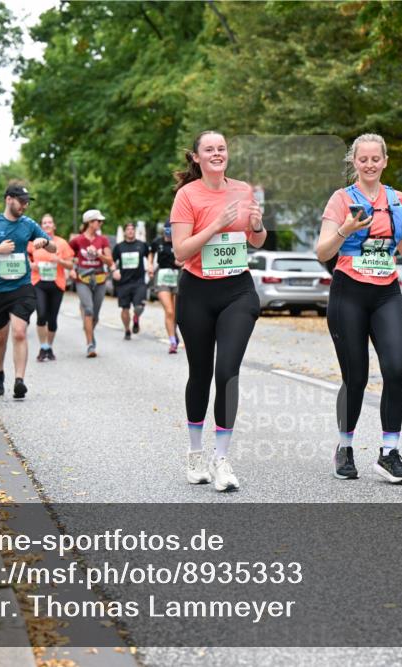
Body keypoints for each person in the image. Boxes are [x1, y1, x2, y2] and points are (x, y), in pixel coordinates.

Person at [316, 133, 402, 484]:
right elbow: (323, 252)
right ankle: (345, 447)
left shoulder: (397, 199)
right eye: (363, 159)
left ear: (385, 161)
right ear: (354, 162)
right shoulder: (341, 200)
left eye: (375, 159)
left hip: (386, 293)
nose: (369, 164)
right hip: (348, 294)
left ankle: (389, 453)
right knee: (355, 378)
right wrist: (344, 229)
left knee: (396, 369)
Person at [170, 130, 267, 492]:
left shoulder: (243, 190)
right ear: (196, 157)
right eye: (209, 149)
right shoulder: (187, 196)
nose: (216, 153)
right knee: (201, 373)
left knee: (227, 371)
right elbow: (181, 251)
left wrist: (256, 226)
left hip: (237, 290)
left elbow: (256, 239)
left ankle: (222, 458)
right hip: (197, 291)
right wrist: (215, 225)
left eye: (221, 148)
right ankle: (196, 454)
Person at [0, 184, 55, 399]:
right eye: (21, 201)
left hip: (21, 286)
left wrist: (44, 243)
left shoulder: (28, 224)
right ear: (9, 199)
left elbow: (54, 248)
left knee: (19, 332)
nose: (24, 205)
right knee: (0, 336)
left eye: (27, 201)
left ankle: (19, 381)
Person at [28, 213, 74, 361]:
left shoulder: (61, 243)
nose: (47, 225)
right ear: (41, 226)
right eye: (44, 223)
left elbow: (71, 264)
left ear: (54, 226)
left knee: (52, 318)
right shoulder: (34, 242)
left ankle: (49, 347)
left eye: (50, 223)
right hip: (38, 282)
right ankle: (43, 347)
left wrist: (59, 260)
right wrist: (31, 265)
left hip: (57, 283)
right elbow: (24, 257)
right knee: (41, 314)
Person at [68, 210, 113, 358]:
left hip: (100, 279)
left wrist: (98, 254)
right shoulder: (77, 240)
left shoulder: (103, 240)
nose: (100, 223)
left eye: (101, 221)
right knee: (88, 310)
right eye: (98, 221)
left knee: (95, 316)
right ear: (90, 222)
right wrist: (72, 269)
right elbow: (69, 256)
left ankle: (89, 330)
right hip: (83, 280)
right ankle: (90, 345)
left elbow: (110, 260)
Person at [148, 221, 183, 353]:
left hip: (177, 278)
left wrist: (182, 262)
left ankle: (174, 332)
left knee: (175, 312)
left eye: (172, 230)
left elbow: (187, 257)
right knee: (169, 311)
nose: (169, 233)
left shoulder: (179, 241)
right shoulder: (157, 242)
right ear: (164, 230)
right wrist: (150, 265)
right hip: (162, 278)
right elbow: (150, 253)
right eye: (167, 230)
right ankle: (172, 341)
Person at [112, 221, 149, 340]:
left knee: (139, 306)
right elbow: (111, 262)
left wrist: (150, 267)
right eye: (128, 229)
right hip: (124, 283)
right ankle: (127, 329)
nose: (130, 231)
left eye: (132, 229)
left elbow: (150, 256)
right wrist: (114, 271)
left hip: (139, 282)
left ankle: (136, 319)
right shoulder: (119, 247)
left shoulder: (142, 245)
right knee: (125, 309)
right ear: (124, 232)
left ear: (135, 231)